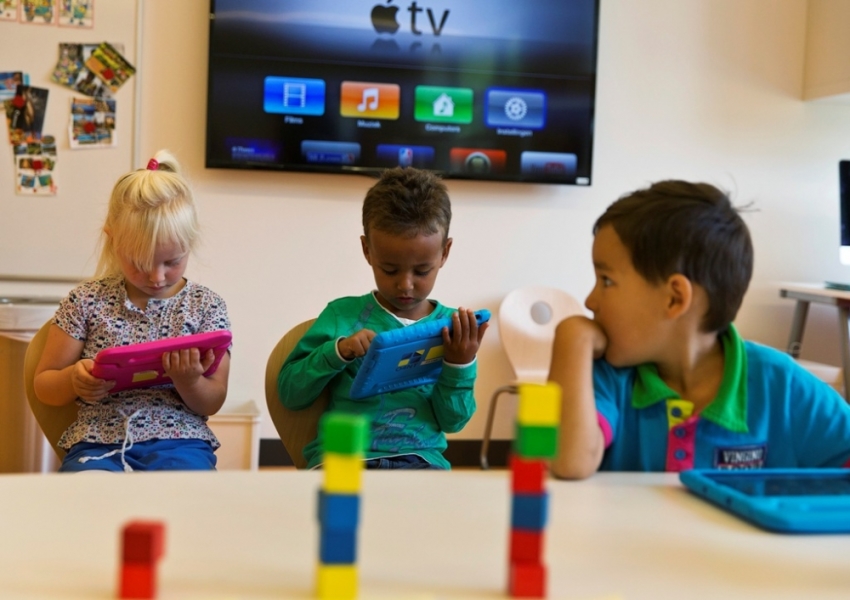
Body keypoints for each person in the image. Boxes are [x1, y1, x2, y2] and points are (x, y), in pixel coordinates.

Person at [549, 179, 850, 480]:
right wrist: (572, 339)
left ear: (674, 298)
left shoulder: (780, 385)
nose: (590, 300)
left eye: (606, 281)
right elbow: (569, 462)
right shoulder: (608, 376)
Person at [277, 167, 488, 469]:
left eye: (422, 271)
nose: (405, 284)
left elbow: (454, 421)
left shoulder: (455, 330)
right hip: (344, 458)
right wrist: (339, 351)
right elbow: (290, 394)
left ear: (445, 252)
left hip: (421, 461)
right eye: (389, 269)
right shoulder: (342, 315)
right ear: (367, 250)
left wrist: (459, 364)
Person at [33, 150, 231, 472]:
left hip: (182, 442)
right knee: (83, 507)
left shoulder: (206, 306)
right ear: (113, 243)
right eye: (139, 263)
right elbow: (44, 385)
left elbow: (214, 400)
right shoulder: (86, 300)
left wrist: (190, 381)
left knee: (187, 504)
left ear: (190, 244)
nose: (157, 277)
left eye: (172, 261)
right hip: (96, 444)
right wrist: (74, 379)